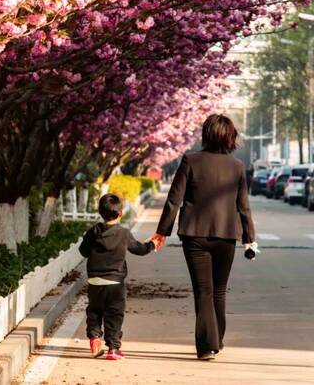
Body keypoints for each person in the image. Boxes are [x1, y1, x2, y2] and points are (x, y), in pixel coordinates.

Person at [152, 113, 257, 361]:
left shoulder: (191, 160)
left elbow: (174, 200)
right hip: (226, 237)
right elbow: (244, 206)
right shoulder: (237, 166)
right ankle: (216, 340)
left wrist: (162, 232)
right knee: (218, 291)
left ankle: (207, 346)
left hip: (194, 235)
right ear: (230, 137)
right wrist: (249, 239)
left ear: (206, 134)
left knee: (204, 292)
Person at [79, 193, 161, 360]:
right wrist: (152, 244)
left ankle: (94, 338)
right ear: (120, 213)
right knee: (114, 314)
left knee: (94, 311)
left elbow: (83, 251)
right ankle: (113, 349)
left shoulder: (93, 231)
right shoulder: (124, 234)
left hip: (95, 281)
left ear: (100, 212)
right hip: (115, 282)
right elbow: (140, 249)